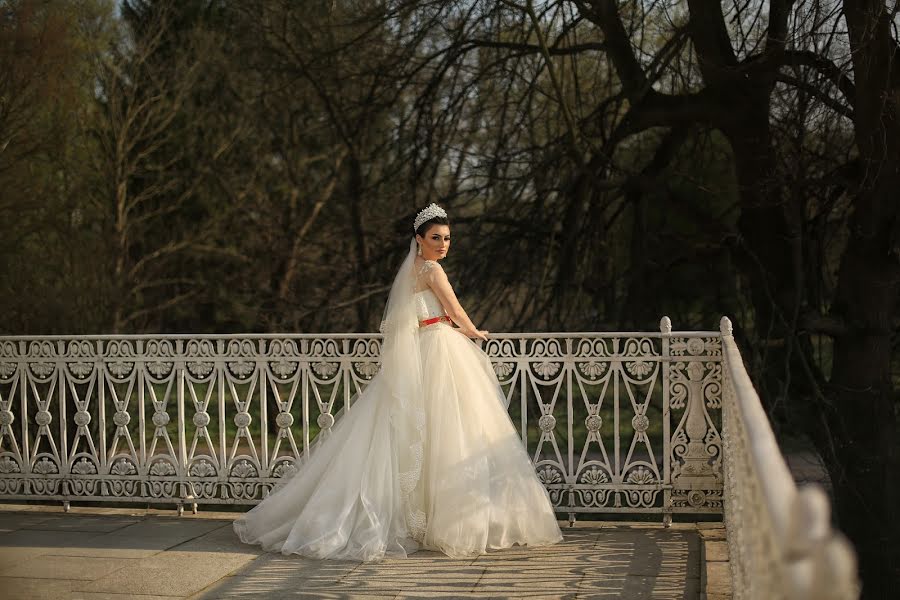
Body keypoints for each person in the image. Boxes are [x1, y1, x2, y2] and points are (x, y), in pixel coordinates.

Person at [233, 203, 562, 561]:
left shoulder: (410, 272)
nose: (443, 244)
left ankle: (422, 518)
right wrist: (472, 331)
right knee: (454, 429)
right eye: (436, 237)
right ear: (419, 239)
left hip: (421, 348)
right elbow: (453, 310)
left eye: (448, 238)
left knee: (419, 430)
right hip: (438, 346)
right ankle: (448, 520)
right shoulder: (433, 271)